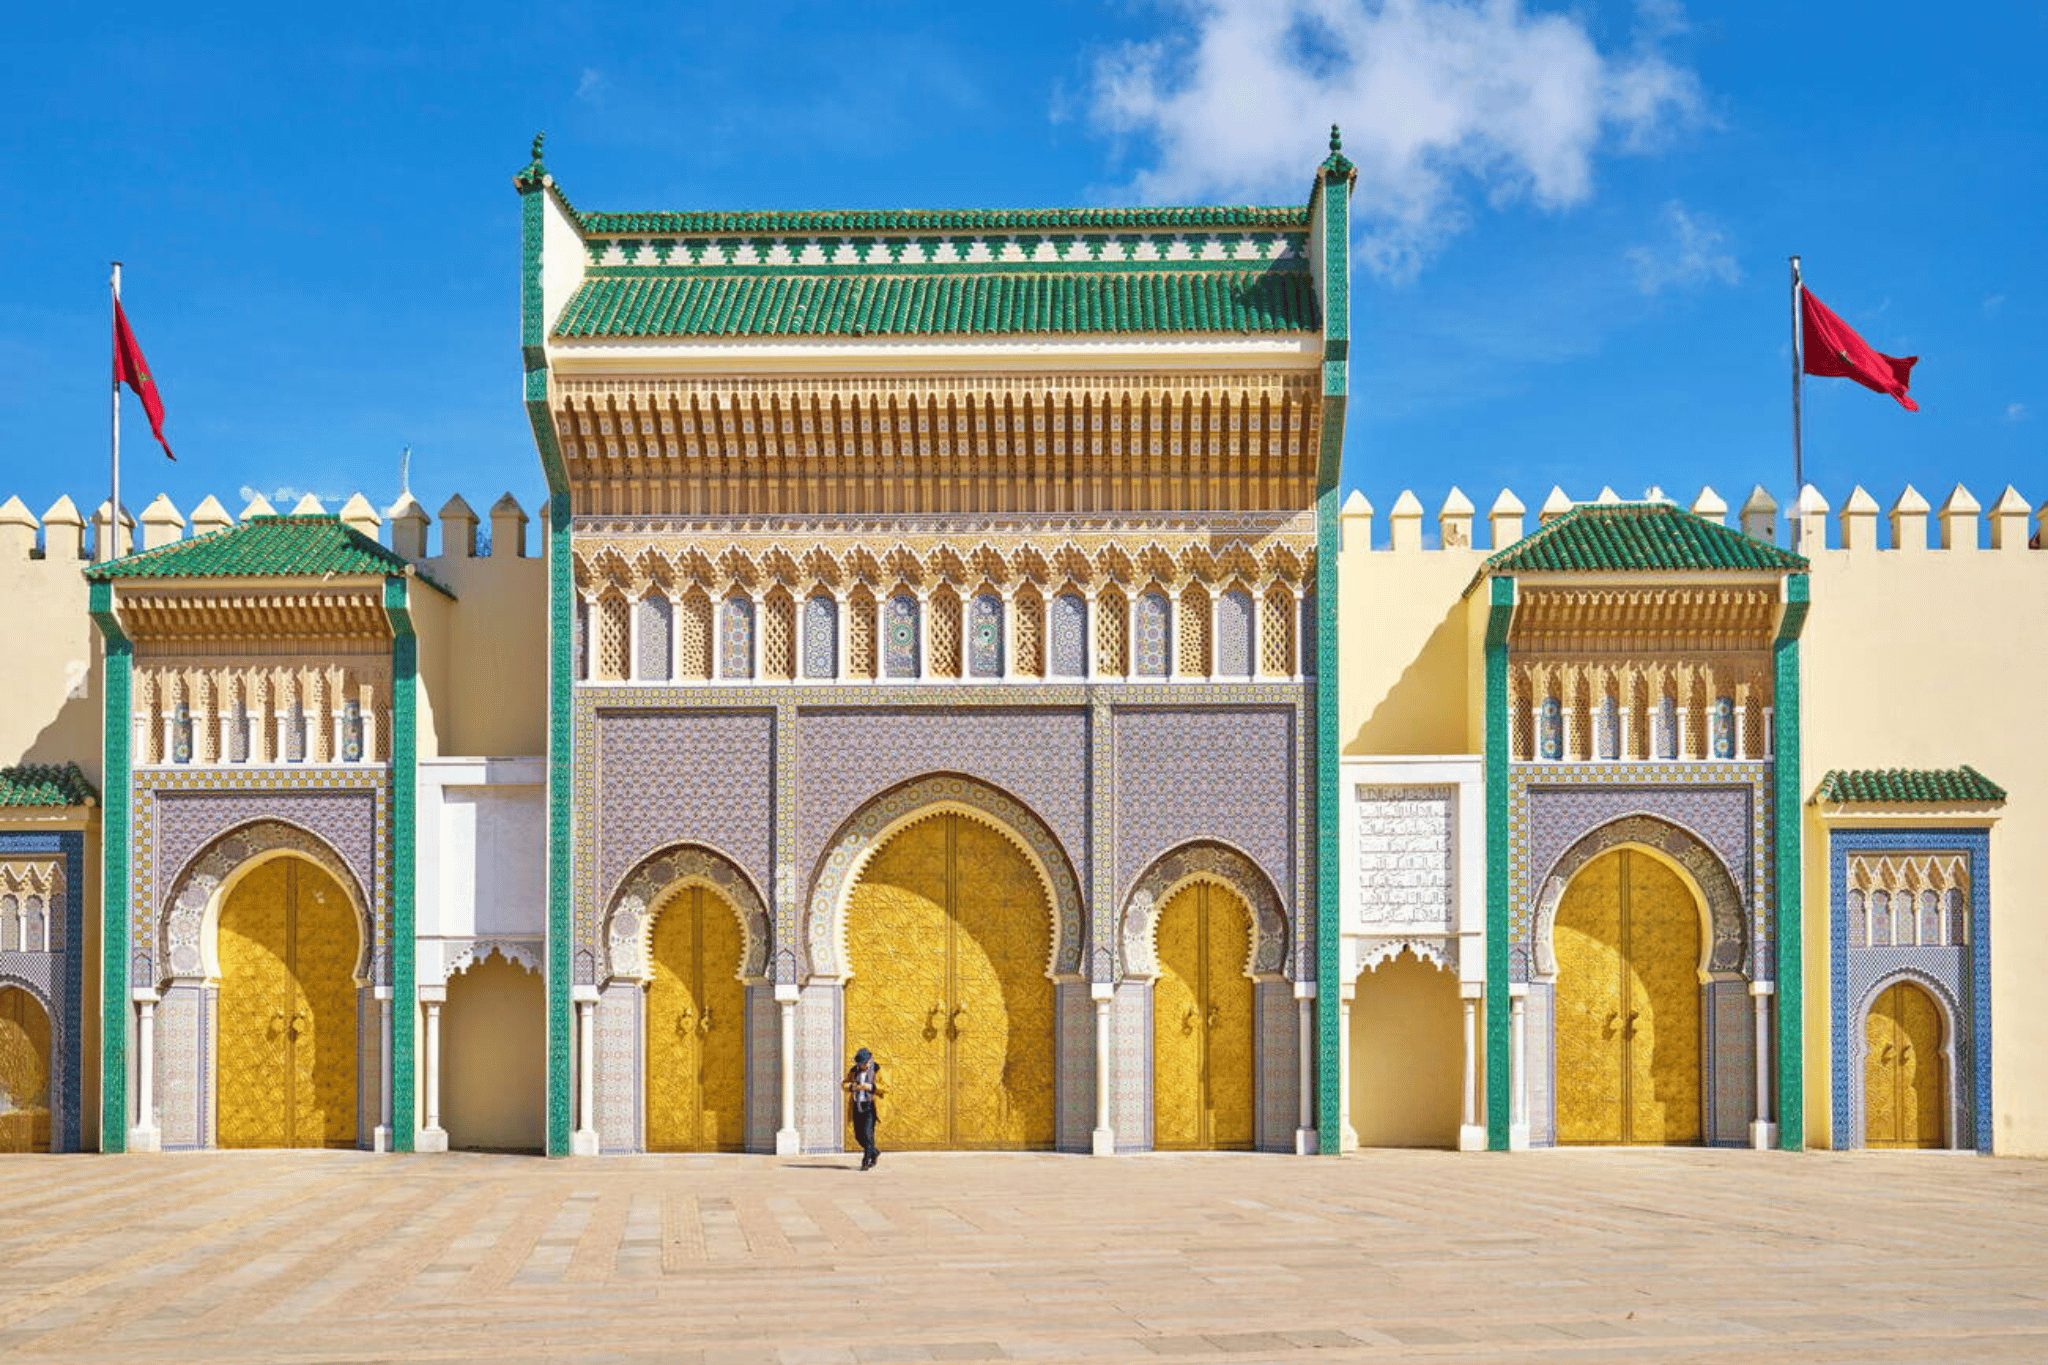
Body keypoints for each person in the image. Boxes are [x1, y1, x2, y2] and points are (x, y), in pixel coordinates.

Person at [842, 1047, 883, 1170]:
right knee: (858, 1136)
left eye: (864, 1064)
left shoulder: (877, 1070)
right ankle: (874, 1152)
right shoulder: (854, 1071)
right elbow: (844, 1083)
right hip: (857, 1104)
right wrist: (852, 1086)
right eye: (860, 1064)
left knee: (868, 1134)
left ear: (869, 1061)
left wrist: (870, 1087)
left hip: (870, 1106)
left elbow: (886, 1086)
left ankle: (866, 1161)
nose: (862, 1066)